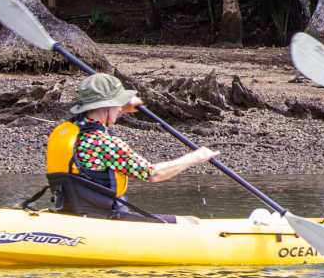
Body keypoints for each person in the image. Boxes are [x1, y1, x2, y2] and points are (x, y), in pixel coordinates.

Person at [43, 73, 220, 222]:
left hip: (74, 213)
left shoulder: (73, 130)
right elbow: (154, 174)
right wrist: (196, 157)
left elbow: (107, 110)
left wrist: (124, 105)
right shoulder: (106, 144)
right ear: (106, 107)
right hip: (105, 219)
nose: (121, 109)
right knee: (190, 222)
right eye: (118, 105)